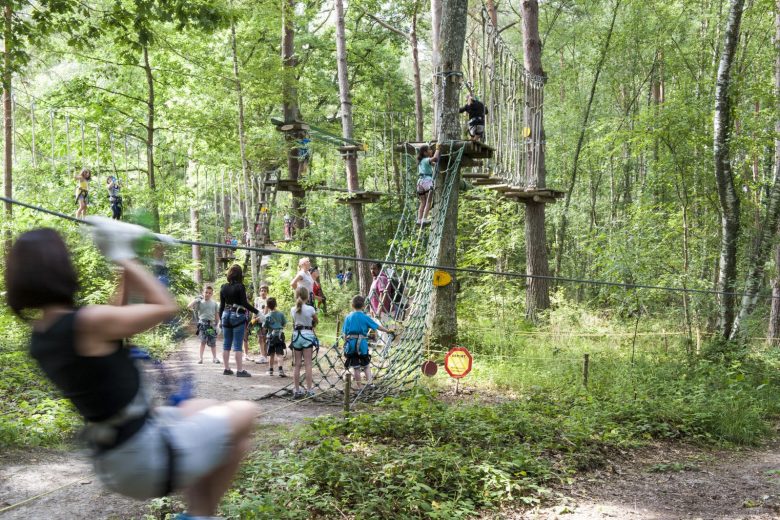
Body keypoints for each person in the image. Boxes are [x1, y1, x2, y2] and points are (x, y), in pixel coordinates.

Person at [5, 223, 258, 519]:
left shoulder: (42, 336)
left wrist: (128, 263)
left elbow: (115, 317)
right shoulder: (87, 322)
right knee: (246, 412)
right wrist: (122, 255)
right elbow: (165, 307)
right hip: (146, 459)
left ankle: (198, 513)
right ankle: (200, 514)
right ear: (62, 268)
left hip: (115, 455)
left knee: (206, 411)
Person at [343, 295, 394, 389]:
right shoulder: (365, 317)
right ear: (363, 306)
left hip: (351, 344)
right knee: (366, 365)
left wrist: (345, 343)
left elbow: (345, 334)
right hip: (362, 344)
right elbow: (377, 326)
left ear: (352, 305)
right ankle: (370, 384)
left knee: (356, 367)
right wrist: (387, 331)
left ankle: (359, 387)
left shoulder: (348, 317)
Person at [219, 264, 259, 378]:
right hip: (237, 315)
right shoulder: (240, 287)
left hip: (225, 315)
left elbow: (221, 306)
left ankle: (226, 369)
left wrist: (220, 320)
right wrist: (257, 312)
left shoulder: (223, 287)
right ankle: (240, 370)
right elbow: (244, 303)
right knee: (237, 345)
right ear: (240, 275)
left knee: (226, 344)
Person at [290, 286, 318, 398]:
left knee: (297, 364)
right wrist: (312, 323)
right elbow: (316, 320)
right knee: (308, 364)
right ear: (307, 296)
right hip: (307, 336)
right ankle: (309, 390)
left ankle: (296, 390)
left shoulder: (293, 309)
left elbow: (295, 322)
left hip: (296, 336)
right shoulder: (310, 309)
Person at [187, 286, 220, 365]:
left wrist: (218, 325)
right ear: (203, 293)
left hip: (211, 325)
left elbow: (216, 315)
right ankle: (200, 358)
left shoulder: (214, 303)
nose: (207, 294)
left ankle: (214, 358)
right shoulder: (199, 302)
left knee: (213, 342)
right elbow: (189, 306)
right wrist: (196, 299)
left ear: (212, 294)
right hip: (202, 325)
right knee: (203, 342)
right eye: (206, 292)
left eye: (209, 293)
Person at [262, 297, 287, 377]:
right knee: (279, 354)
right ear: (276, 304)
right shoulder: (281, 314)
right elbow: (284, 324)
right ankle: (280, 370)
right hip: (279, 336)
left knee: (271, 354)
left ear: (268, 306)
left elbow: (264, 327)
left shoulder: (267, 316)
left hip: (271, 337)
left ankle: (271, 370)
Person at [252, 283, 270, 364]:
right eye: (262, 291)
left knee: (264, 338)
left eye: (265, 291)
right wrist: (253, 319)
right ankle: (262, 356)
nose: (263, 292)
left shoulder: (267, 300)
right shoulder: (257, 299)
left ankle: (265, 356)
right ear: (259, 292)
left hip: (264, 321)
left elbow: (265, 312)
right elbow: (254, 309)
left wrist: (258, 318)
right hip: (256, 321)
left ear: (267, 292)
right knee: (260, 338)